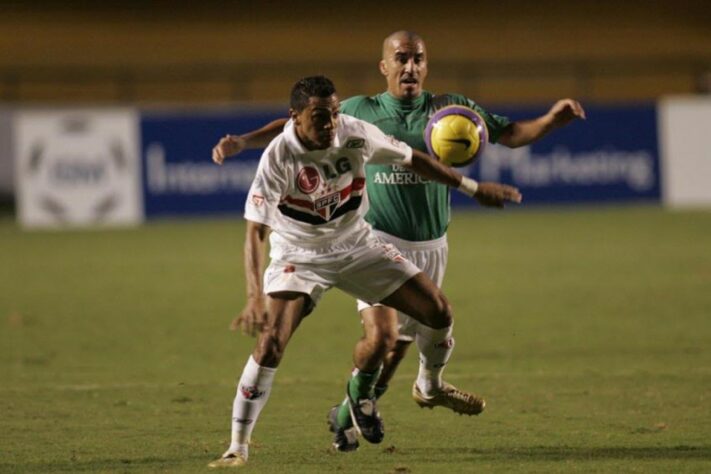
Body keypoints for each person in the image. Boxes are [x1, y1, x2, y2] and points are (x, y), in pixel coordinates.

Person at [212, 31, 586, 453]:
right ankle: (239, 445)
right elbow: (289, 132)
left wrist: (545, 127)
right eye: (401, 58)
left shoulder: (446, 111)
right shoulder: (355, 112)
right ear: (384, 66)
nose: (410, 66)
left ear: (426, 65)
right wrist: (244, 140)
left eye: (418, 58)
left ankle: (377, 402)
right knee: (375, 339)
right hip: (358, 238)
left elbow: (503, 134)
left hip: (415, 242)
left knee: (406, 343)